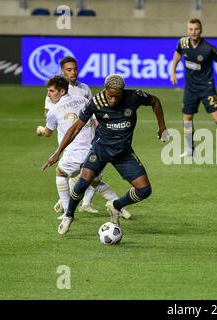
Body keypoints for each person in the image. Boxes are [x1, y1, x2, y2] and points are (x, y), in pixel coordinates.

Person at [42, 74, 168, 235]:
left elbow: (155, 101)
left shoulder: (133, 96)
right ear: (105, 90)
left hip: (123, 152)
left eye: (117, 96)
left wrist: (162, 126)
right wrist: (57, 153)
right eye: (110, 95)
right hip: (100, 149)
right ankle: (68, 216)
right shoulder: (95, 102)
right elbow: (75, 127)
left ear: (122, 92)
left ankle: (115, 205)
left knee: (145, 190)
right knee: (82, 183)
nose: (113, 100)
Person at [37, 76, 131, 221]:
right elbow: (96, 122)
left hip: (74, 153)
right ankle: (121, 208)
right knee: (94, 182)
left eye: (51, 91)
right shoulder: (84, 100)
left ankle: (67, 212)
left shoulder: (54, 110)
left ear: (62, 91)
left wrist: (40, 130)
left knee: (60, 173)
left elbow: (48, 133)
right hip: (94, 150)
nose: (48, 94)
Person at [170, 18, 217, 158]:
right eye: (191, 29)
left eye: (196, 29)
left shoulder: (208, 48)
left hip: (206, 88)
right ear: (187, 30)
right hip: (190, 89)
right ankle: (190, 149)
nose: (193, 32)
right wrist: (173, 72)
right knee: (187, 119)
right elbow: (177, 54)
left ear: (201, 30)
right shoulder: (183, 42)